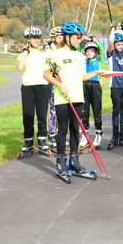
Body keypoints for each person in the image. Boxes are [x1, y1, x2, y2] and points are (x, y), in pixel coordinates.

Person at [43, 22, 104, 183]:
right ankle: (61, 161)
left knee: (75, 129)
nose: (79, 40)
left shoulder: (80, 56)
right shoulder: (56, 54)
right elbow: (46, 75)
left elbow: (82, 76)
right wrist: (60, 85)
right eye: (77, 37)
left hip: (78, 97)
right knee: (63, 129)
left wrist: (96, 72)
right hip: (62, 98)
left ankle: (74, 160)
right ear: (68, 37)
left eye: (80, 37)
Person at [17, 27, 51, 156]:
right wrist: (25, 51)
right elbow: (20, 67)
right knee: (28, 115)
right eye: (33, 38)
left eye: (38, 38)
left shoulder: (44, 53)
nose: (36, 40)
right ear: (28, 39)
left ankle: (42, 140)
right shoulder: (24, 53)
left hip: (42, 86)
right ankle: (28, 141)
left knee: (42, 115)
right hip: (27, 87)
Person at [79, 41, 105, 150]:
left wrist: (93, 39)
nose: (89, 53)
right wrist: (82, 40)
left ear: (96, 52)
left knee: (96, 111)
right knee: (84, 112)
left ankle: (98, 135)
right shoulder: (83, 61)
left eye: (92, 51)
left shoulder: (99, 60)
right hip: (84, 85)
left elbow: (102, 50)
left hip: (95, 86)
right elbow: (79, 49)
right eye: (87, 51)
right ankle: (85, 136)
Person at [46, 26, 64, 149]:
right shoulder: (49, 51)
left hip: (64, 83)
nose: (60, 38)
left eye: (62, 36)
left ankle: (60, 134)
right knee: (53, 110)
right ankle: (51, 134)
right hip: (53, 83)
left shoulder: (65, 49)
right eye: (58, 36)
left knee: (62, 110)